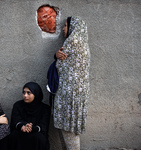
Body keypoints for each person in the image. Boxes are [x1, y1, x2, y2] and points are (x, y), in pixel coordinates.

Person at [53, 16, 91, 149]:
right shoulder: (83, 43)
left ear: (73, 27)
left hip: (69, 95)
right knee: (71, 128)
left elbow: (60, 65)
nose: (63, 29)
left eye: (65, 25)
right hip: (78, 94)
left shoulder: (72, 41)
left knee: (67, 127)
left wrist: (56, 56)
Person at [10, 82, 51, 150]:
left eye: (29, 93)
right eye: (24, 92)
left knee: (40, 138)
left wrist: (31, 128)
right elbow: (15, 122)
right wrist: (23, 126)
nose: (25, 95)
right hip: (21, 131)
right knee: (14, 135)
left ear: (36, 94)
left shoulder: (45, 108)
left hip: (36, 133)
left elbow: (44, 127)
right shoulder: (18, 105)